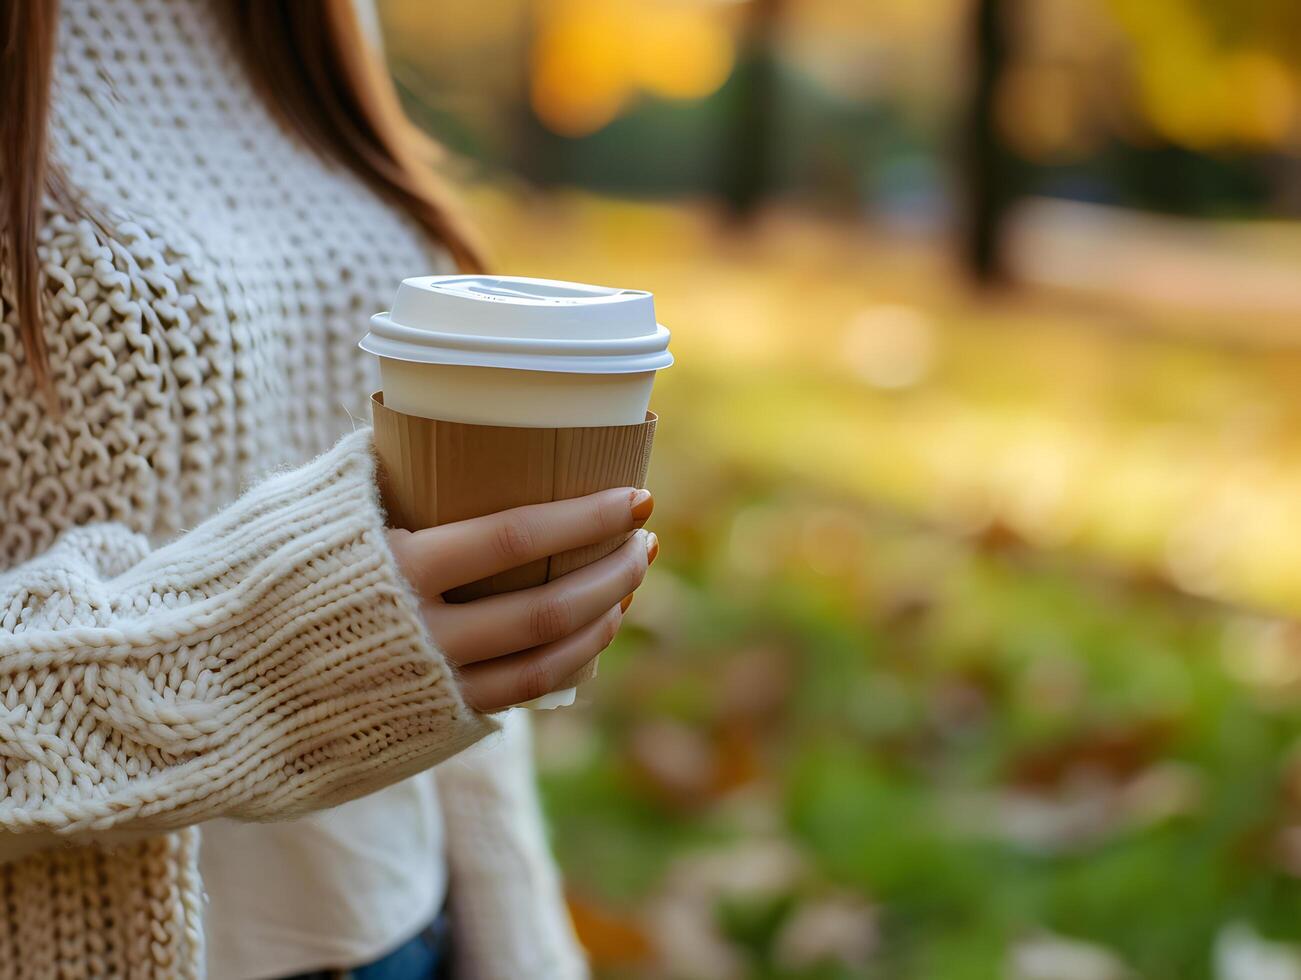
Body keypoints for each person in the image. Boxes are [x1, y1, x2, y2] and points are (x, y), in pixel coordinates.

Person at [0, 1, 656, 977]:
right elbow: (329, 622)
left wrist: (519, 933)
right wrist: (230, 663)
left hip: (408, 930)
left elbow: (405, 586)